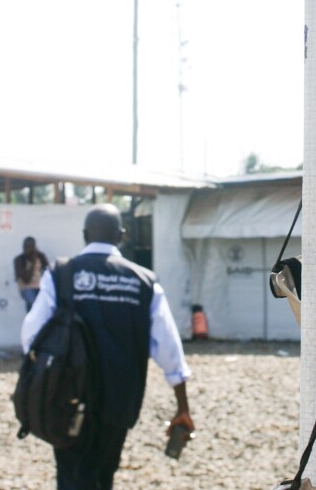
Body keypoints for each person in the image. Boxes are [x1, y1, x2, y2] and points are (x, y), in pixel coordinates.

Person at [20, 204, 194, 490]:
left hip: (67, 398)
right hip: (120, 400)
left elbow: (30, 335)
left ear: (85, 235)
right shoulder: (145, 283)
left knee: (70, 474)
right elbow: (170, 350)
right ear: (122, 235)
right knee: (103, 472)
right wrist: (182, 407)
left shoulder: (61, 274)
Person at [14, 236, 49, 312]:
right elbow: (26, 279)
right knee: (34, 304)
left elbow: (48, 271)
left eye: (29, 247)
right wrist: (33, 262)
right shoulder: (19, 260)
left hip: (40, 287)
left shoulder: (40, 257)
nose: (26, 249)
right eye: (24, 246)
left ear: (34, 247)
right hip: (26, 287)